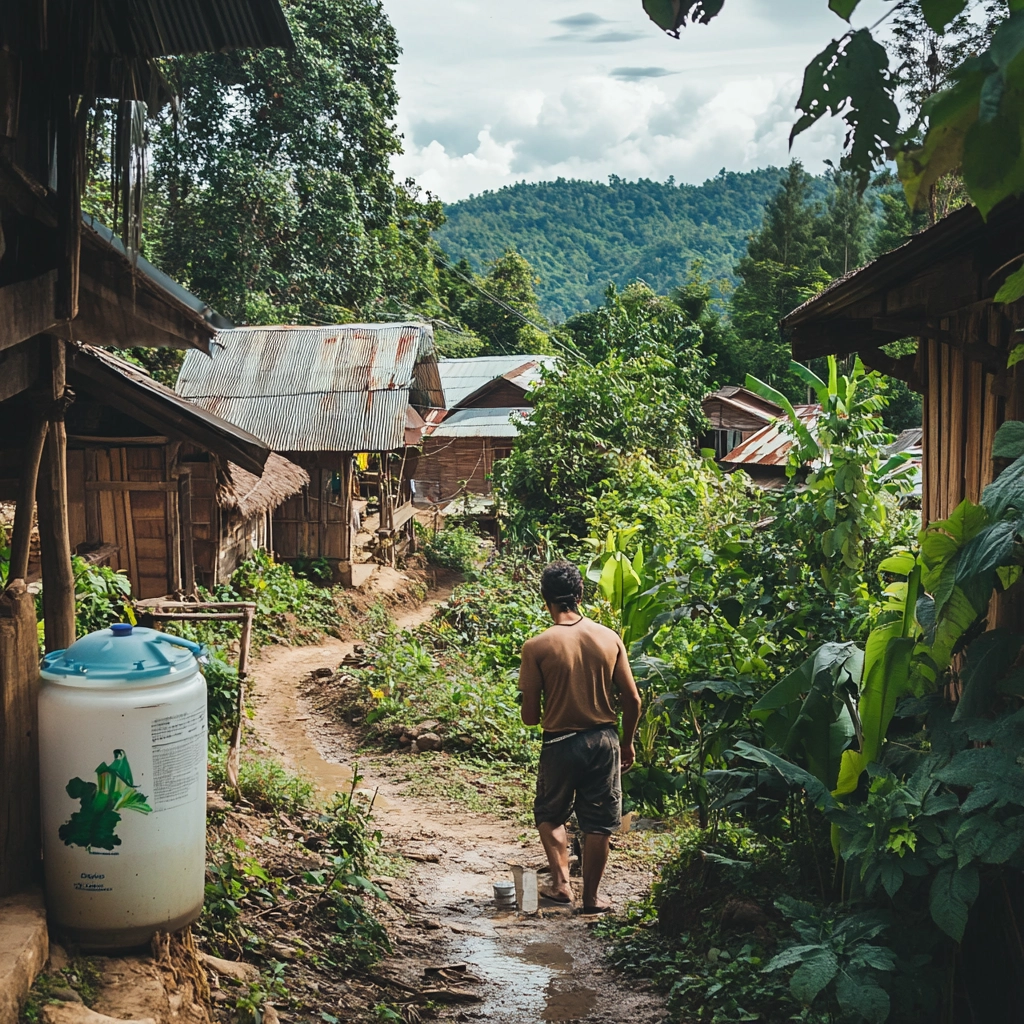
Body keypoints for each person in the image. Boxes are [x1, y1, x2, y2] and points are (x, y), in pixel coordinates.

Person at [518, 559, 642, 913]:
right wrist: (628, 742)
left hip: (559, 743)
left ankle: (560, 884)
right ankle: (591, 898)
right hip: (604, 742)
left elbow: (529, 717)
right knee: (599, 823)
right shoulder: (608, 638)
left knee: (549, 815)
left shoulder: (537, 646)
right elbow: (632, 699)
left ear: (546, 600)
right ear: (581, 595)